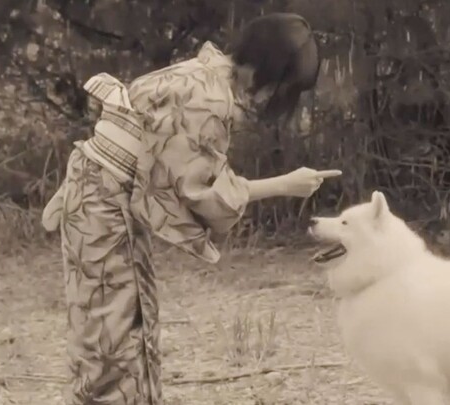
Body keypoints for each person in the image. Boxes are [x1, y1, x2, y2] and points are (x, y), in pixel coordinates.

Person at [41, 12, 339, 405]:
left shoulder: (202, 70)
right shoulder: (210, 100)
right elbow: (200, 191)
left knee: (108, 327)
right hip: (105, 204)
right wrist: (286, 185)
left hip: (93, 195)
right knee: (116, 338)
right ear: (271, 73)